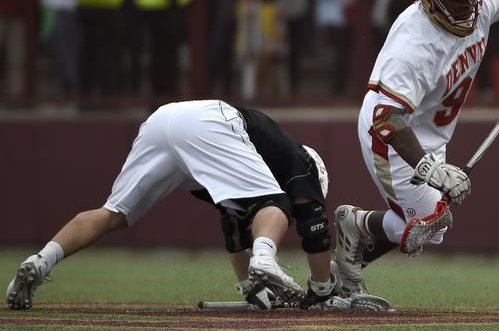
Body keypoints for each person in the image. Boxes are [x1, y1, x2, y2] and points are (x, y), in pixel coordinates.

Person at [331, 0, 499, 296]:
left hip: (431, 132)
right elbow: (386, 117)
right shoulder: (413, 46)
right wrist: (430, 169)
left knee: (430, 225)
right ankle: (352, 236)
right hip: (392, 134)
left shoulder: (478, 0)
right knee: (429, 223)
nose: (470, 9)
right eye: (458, 2)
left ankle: (355, 236)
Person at [6, 99, 339, 310]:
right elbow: (313, 224)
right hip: (211, 120)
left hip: (161, 121)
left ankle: (41, 260)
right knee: (275, 203)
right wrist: (322, 289)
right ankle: (266, 259)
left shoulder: (252, 162)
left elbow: (233, 224)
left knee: (114, 213)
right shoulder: (301, 162)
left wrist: (250, 288)